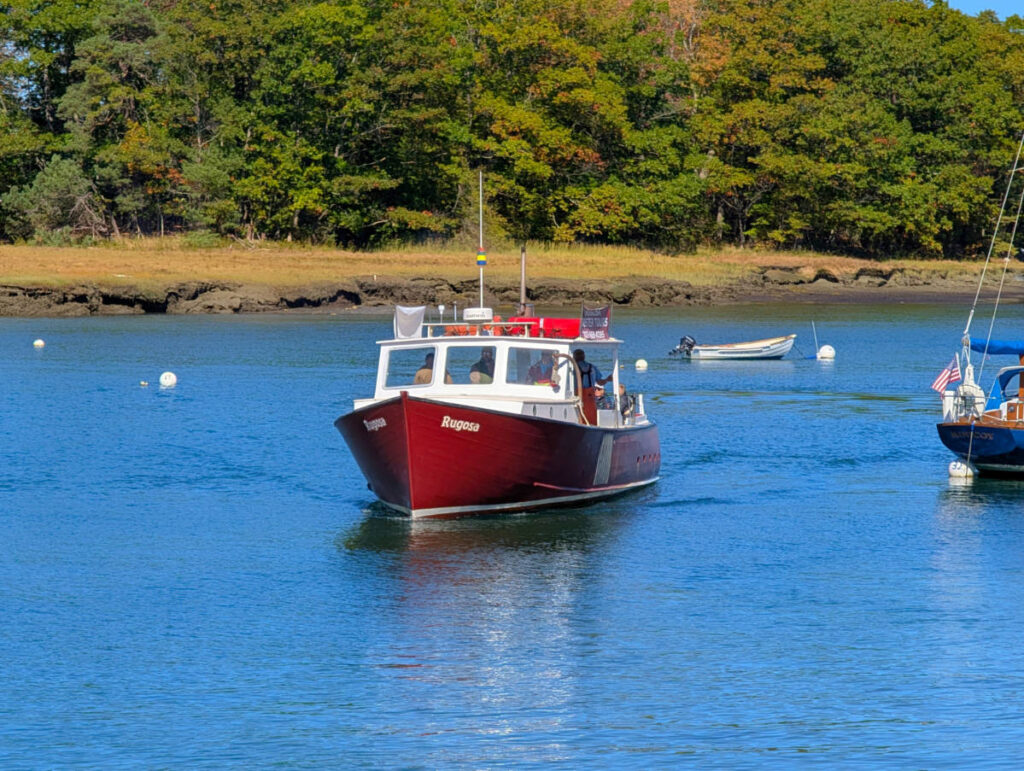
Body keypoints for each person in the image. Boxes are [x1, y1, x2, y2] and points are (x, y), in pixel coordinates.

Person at [574, 348, 611, 424]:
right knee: (591, 415)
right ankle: (592, 426)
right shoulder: (592, 367)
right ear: (584, 356)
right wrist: (607, 379)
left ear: (574, 357)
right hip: (590, 396)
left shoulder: (572, 368)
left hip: (577, 395)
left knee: (577, 414)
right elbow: (600, 382)